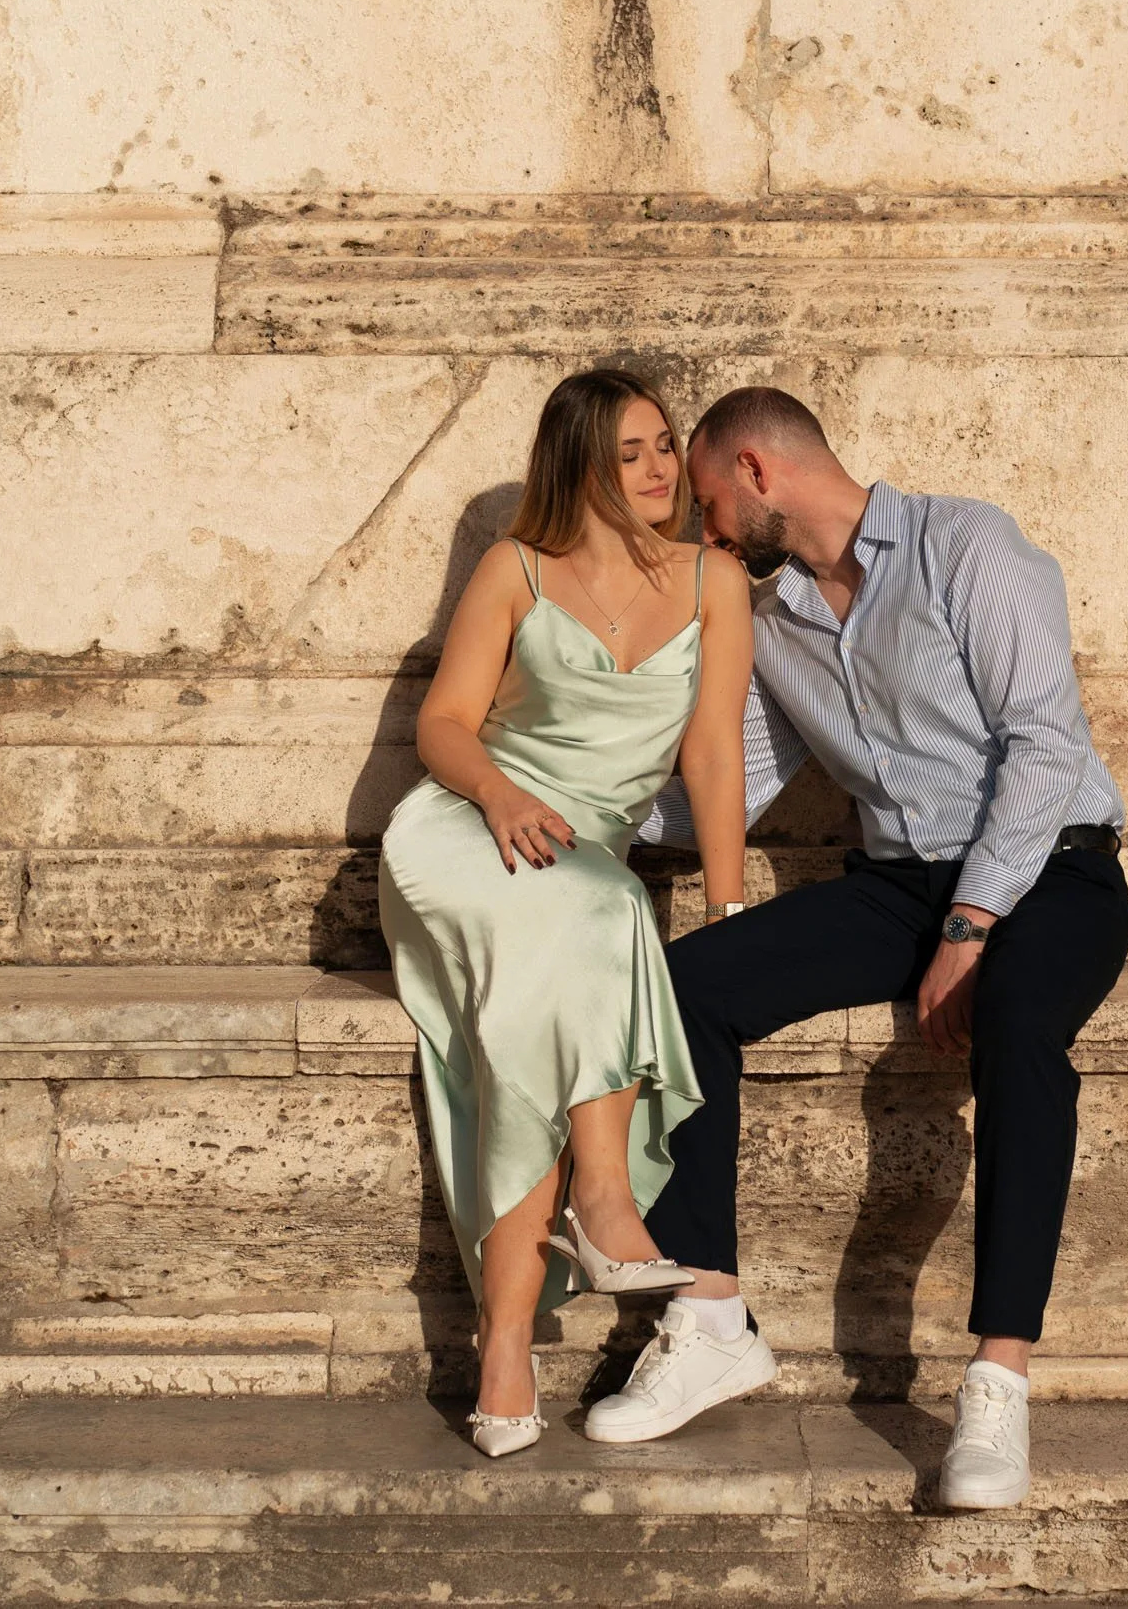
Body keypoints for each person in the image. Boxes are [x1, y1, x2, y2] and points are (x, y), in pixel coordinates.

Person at [584, 386, 1128, 1510]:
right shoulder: (775, 621)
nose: (705, 535)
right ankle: (709, 1315)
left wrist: (971, 926)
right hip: (895, 885)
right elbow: (711, 796)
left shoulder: (963, 544)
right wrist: (551, 796)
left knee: (1021, 1023)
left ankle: (996, 1380)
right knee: (687, 987)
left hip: (1050, 864)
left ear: (754, 470)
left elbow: (1041, 743)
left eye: (705, 505)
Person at [379, 369, 752, 1457]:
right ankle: (602, 1196)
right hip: (466, 830)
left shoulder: (712, 582)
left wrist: (726, 904)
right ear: (578, 463)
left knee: (548, 1010)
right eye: (629, 449)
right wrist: (498, 792)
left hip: (581, 864)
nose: (656, 469)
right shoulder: (515, 568)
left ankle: (505, 1349)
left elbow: (713, 750)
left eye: (663, 444)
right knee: (603, 904)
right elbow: (443, 726)